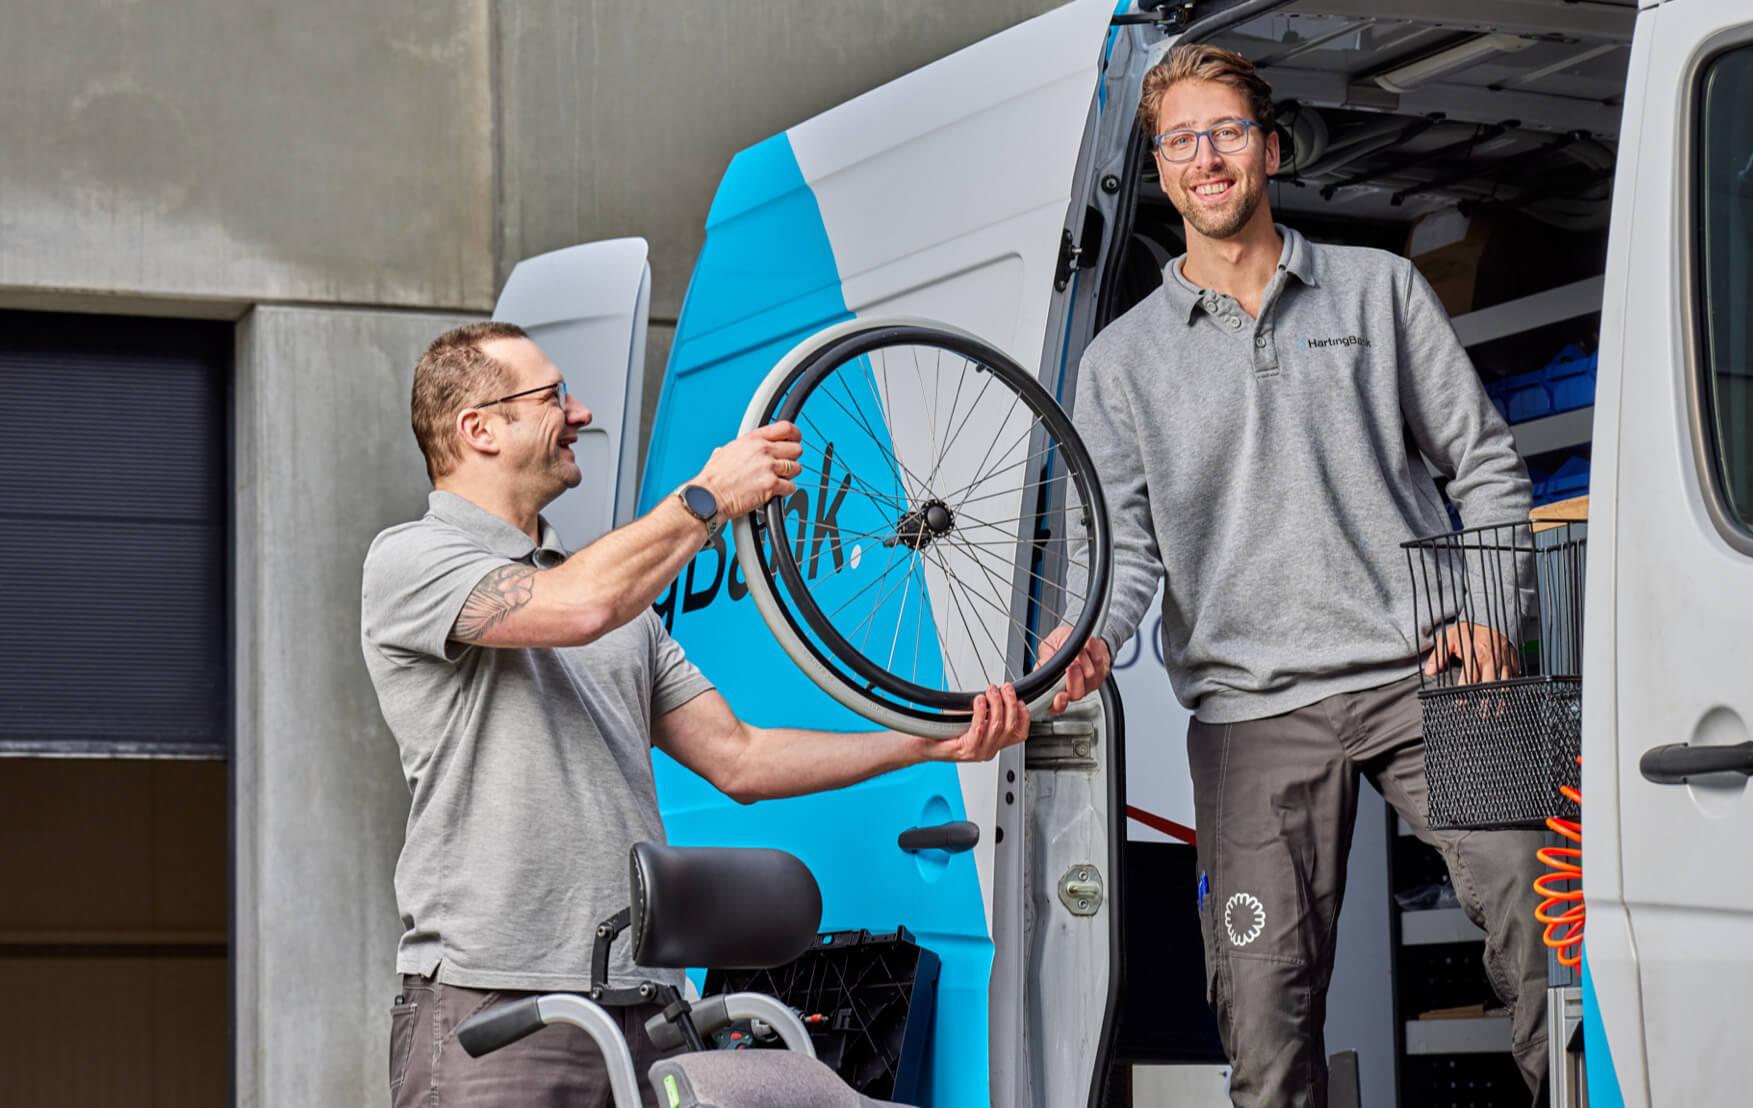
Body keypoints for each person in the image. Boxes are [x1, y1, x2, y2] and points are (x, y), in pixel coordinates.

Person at [1044, 44, 1548, 1106]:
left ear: (1269, 146)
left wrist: (1496, 613)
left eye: (1226, 131)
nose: (1206, 157)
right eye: (1180, 140)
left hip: (1430, 677)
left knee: (1547, 907)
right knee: (1260, 1003)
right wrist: (1090, 631)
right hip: (1250, 714)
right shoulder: (1121, 364)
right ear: (1162, 166)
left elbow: (1487, 464)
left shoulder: (1380, 289)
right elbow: (1123, 552)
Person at [361, 322, 1029, 1107]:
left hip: (643, 1004)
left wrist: (924, 744)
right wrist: (708, 496)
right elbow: (576, 608)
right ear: (479, 429)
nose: (580, 415)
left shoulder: (622, 607)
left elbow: (740, 758)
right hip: (495, 1006)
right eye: (552, 397)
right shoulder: (412, 562)